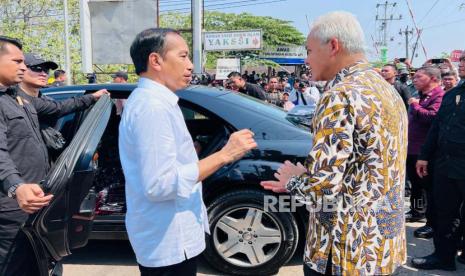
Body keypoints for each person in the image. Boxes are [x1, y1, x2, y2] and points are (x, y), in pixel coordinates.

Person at [260, 12, 407, 275]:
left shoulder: (339, 95)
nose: (306, 60)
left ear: (333, 46)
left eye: (309, 51)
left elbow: (322, 192)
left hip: (343, 249)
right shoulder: (385, 89)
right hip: (380, 244)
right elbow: (367, 166)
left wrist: (292, 181)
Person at [119, 28, 257, 276]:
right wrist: (226, 154)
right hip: (168, 237)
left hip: (172, 234)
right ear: (156, 60)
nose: (190, 65)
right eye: (183, 56)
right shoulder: (152, 108)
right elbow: (161, 184)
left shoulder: (159, 102)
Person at [0, 37, 107, 276]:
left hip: (33, 203)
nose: (22, 66)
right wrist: (16, 187)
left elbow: (58, 108)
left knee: (36, 265)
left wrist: (91, 98)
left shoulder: (20, 100)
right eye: (17, 61)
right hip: (12, 208)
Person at [412, 51, 465, 271]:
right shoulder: (453, 94)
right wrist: (424, 156)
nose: (461, 65)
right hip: (445, 165)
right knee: (444, 213)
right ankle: (443, 257)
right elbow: (436, 127)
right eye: (461, 62)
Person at [405, 66, 444, 240]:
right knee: (416, 186)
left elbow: (432, 118)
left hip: (425, 152)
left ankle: (431, 224)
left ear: (433, 79)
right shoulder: (420, 95)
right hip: (412, 149)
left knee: (430, 190)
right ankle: (416, 211)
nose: (415, 79)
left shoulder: (439, 96)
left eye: (420, 77)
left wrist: (414, 105)